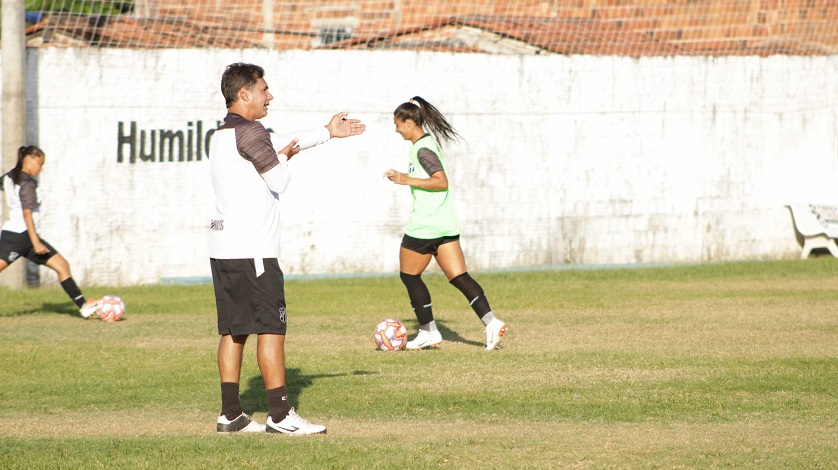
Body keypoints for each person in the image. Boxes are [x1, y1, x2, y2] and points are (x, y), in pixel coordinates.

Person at [209, 62, 365, 435]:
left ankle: (230, 414)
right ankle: (279, 416)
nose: (270, 96)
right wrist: (285, 157)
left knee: (233, 332)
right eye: (264, 89)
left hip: (223, 248)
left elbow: (280, 138)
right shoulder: (253, 132)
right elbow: (278, 176)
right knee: (271, 330)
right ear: (244, 93)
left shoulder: (222, 133)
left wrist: (326, 133)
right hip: (255, 253)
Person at [384, 96, 508, 351]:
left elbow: (441, 181)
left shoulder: (422, 148)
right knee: (459, 277)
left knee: (409, 275)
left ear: (408, 122)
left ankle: (429, 331)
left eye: (398, 124)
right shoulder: (427, 143)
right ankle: (491, 323)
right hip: (446, 224)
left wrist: (404, 179)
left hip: (426, 225)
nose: (396, 129)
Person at [0, 145, 100, 318]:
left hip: (19, 235)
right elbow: (27, 214)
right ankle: (83, 306)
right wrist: (36, 242)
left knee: (62, 265)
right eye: (40, 164)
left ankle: (83, 306)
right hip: (21, 236)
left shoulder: (10, 177)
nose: (41, 168)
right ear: (29, 160)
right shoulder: (27, 183)